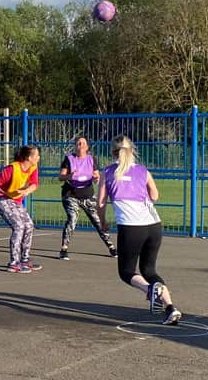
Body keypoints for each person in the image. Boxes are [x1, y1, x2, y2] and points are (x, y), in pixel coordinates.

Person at [97, 135, 182, 325]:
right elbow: (155, 195)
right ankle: (170, 308)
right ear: (133, 150)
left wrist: (102, 222)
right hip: (153, 225)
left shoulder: (109, 172)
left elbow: (100, 202)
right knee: (149, 270)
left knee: (126, 271)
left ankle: (150, 290)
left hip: (131, 226)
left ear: (112, 152)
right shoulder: (143, 170)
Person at [57, 136, 117, 260]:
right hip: (71, 195)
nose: (81, 145)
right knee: (72, 218)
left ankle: (111, 247)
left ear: (87, 147)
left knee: (98, 221)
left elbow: (96, 175)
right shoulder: (69, 159)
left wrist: (96, 178)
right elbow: (61, 177)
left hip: (87, 195)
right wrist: (69, 176)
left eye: (83, 143)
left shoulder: (91, 159)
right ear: (76, 146)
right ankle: (64, 249)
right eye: (79, 143)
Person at [0, 145, 42, 273]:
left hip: (15, 201)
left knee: (29, 225)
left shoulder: (33, 168)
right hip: (2, 199)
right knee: (18, 226)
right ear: (29, 157)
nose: (38, 158)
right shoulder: (12, 168)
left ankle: (25, 259)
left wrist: (27, 190)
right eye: (37, 155)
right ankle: (13, 263)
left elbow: (34, 184)